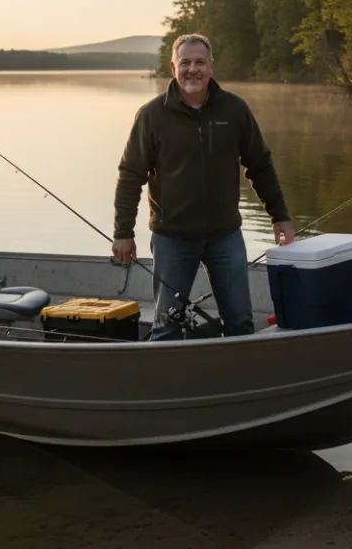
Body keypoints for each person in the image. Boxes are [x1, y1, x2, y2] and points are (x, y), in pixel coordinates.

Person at [112, 33, 295, 340]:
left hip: (226, 236)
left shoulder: (234, 110)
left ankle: (236, 383)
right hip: (172, 238)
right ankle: (168, 385)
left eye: (199, 62)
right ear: (173, 66)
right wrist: (123, 233)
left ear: (211, 67)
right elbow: (130, 175)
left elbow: (260, 166)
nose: (192, 70)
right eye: (185, 62)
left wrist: (280, 216)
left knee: (240, 323)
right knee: (166, 326)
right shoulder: (151, 115)